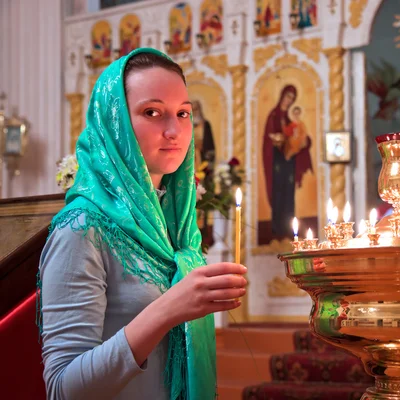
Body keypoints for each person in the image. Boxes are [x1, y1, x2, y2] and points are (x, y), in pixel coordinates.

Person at [37, 48, 247, 400]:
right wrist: (168, 309)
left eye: (183, 113)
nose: (173, 130)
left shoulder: (177, 228)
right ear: (113, 122)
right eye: (152, 112)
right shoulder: (82, 230)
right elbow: (63, 389)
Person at [262, 85, 312, 239]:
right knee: (279, 191)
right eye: (287, 97)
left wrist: (305, 142)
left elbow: (301, 136)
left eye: (291, 98)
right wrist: (278, 139)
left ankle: (289, 228)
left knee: (289, 193)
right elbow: (268, 139)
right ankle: (277, 228)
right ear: (282, 96)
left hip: (289, 161)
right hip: (277, 160)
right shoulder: (274, 116)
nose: (288, 100)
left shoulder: (291, 119)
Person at [191, 99, 216, 167]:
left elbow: (210, 143)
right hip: (190, 155)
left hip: (203, 155)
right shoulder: (187, 125)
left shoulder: (206, 124)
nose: (194, 112)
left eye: (196, 109)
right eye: (192, 110)